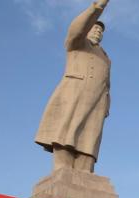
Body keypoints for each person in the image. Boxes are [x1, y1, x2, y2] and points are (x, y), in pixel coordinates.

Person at [35, 0, 112, 172]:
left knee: (90, 137)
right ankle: (63, 167)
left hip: (97, 101)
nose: (98, 31)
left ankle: (85, 169)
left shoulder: (106, 58)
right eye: (95, 28)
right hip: (75, 92)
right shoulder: (77, 43)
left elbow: (107, 84)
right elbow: (77, 29)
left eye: (101, 30)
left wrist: (106, 104)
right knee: (66, 131)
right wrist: (97, 7)